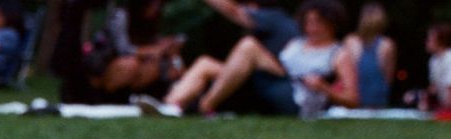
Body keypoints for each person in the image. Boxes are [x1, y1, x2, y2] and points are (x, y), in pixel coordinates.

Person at [141, 0, 353, 117]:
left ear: (331, 24)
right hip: (273, 82)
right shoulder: (297, 42)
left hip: (297, 97)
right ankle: (169, 107)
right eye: (308, 22)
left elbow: (354, 98)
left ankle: (206, 105)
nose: (311, 27)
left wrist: (323, 87)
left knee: (248, 47)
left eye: (317, 22)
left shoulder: (338, 53)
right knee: (206, 63)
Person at [344, 2, 394, 109]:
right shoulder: (387, 45)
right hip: (371, 98)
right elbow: (388, 77)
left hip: (366, 98)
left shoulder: (350, 41)